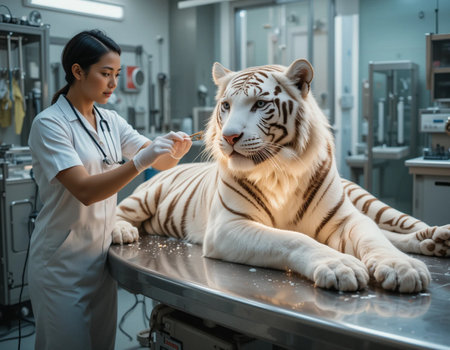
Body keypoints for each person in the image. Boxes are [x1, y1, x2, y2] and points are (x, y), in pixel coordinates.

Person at [27, 29, 192, 350]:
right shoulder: (50, 124)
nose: (114, 83)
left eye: (116, 74)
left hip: (100, 264)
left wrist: (174, 153)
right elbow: (86, 191)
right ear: (78, 71)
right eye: (106, 74)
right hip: (60, 268)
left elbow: (159, 162)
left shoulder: (109, 121)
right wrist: (141, 161)